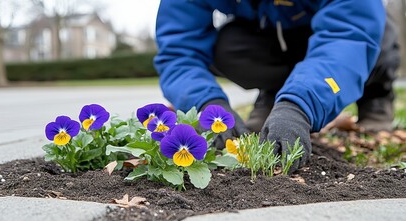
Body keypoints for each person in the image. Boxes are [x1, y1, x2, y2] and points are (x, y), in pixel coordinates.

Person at [153, 0, 400, 173]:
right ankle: (272, 93)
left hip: (345, 32)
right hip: (273, 32)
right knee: (230, 45)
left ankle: (376, 99)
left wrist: (300, 105)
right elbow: (179, 50)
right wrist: (207, 103)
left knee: (377, 29)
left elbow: (348, 37)